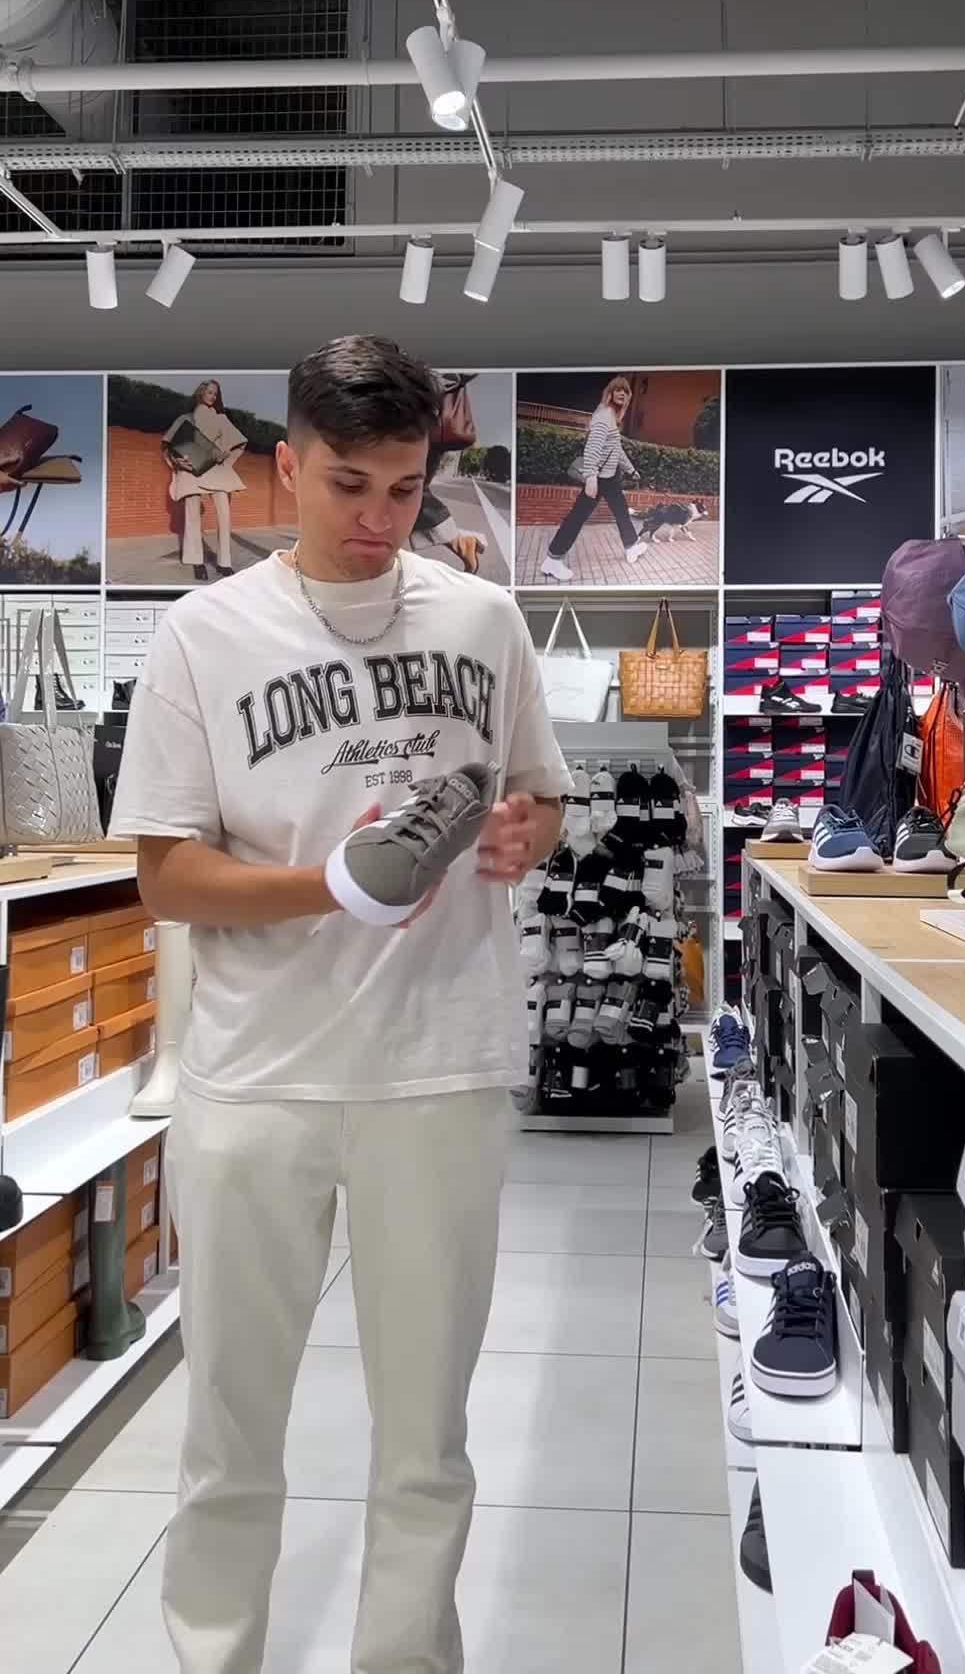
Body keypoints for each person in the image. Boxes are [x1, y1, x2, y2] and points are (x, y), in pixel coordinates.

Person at [110, 334, 569, 1674]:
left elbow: (538, 794)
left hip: (441, 1065)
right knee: (229, 1431)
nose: (380, 519)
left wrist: (525, 835)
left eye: (405, 488)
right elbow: (165, 877)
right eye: (348, 485)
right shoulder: (205, 634)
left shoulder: (482, 620)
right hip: (256, 1078)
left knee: (426, 1441)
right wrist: (335, 886)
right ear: (286, 466)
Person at [541, 373, 648, 581]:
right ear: (610, 393)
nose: (622, 393)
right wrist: (591, 476)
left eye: (626, 391)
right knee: (578, 517)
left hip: (609, 478)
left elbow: (616, 450)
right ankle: (553, 559)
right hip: (599, 478)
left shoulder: (613, 417)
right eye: (618, 389)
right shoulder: (604, 414)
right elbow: (592, 446)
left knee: (621, 511)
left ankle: (631, 546)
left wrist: (631, 470)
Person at [162, 378, 248, 581]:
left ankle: (224, 562)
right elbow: (167, 446)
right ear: (201, 392)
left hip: (217, 470)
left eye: (215, 394)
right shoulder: (185, 419)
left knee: (224, 515)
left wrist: (226, 454)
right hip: (191, 470)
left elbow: (237, 443)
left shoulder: (221, 419)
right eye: (210, 392)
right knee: (192, 516)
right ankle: (197, 562)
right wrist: (176, 461)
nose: (213, 396)